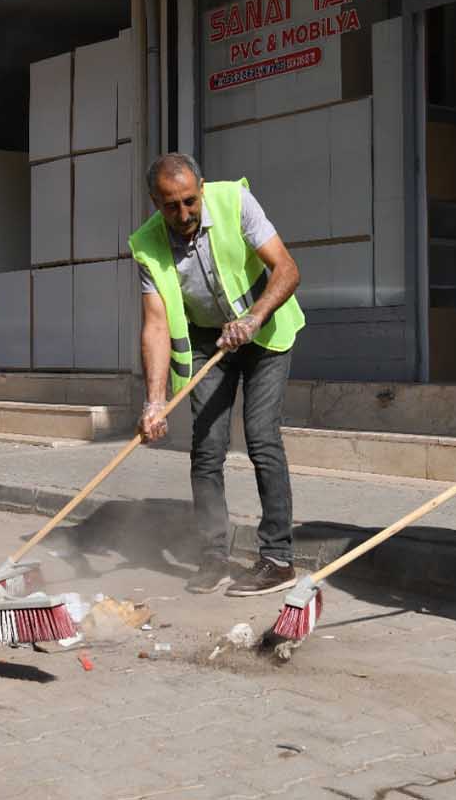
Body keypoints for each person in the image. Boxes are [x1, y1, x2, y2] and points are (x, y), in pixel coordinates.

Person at [130, 153, 305, 596]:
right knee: (206, 449)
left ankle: (278, 558)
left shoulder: (235, 201)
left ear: (201, 188)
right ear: (155, 202)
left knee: (262, 436)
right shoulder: (148, 244)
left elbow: (286, 269)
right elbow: (155, 324)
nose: (184, 214)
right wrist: (154, 401)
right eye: (171, 206)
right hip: (210, 343)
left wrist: (253, 318)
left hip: (264, 333)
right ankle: (213, 556)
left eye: (190, 201)